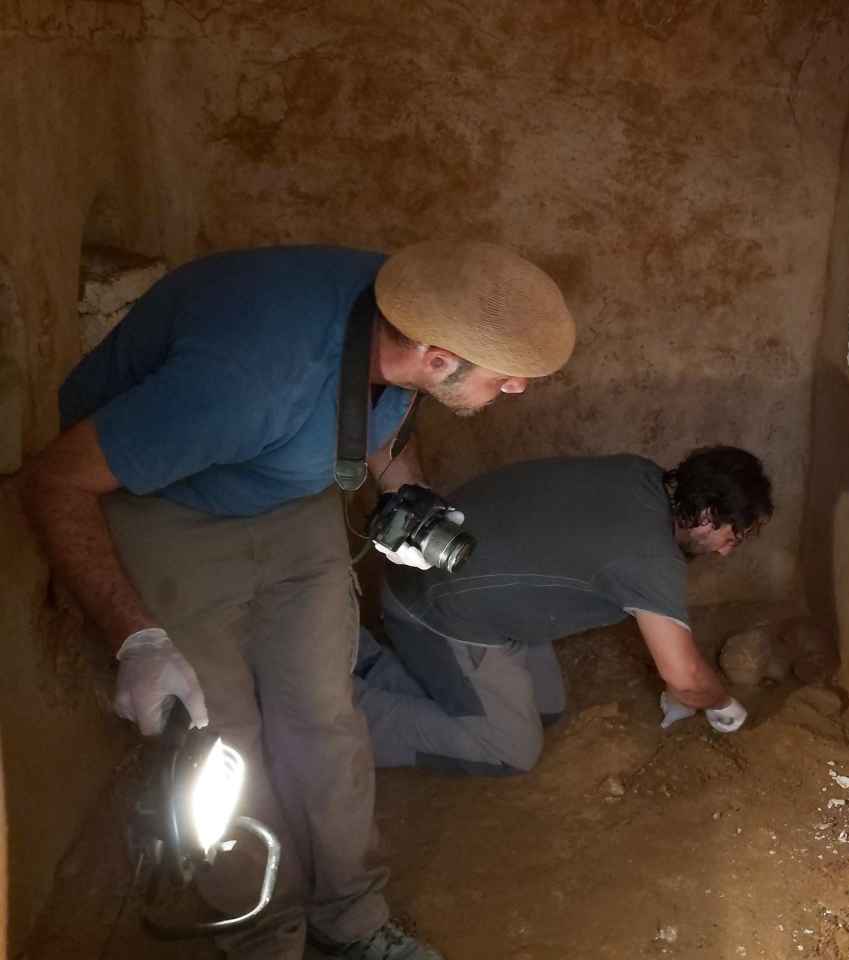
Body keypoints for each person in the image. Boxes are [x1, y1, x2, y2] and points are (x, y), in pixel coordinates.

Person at [20, 241, 575, 960]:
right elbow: (54, 480)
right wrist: (136, 640)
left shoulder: (415, 300)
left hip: (288, 489)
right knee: (221, 744)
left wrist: (408, 491)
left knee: (324, 719)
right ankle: (260, 934)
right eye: (508, 379)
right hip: (167, 504)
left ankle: (351, 920)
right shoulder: (251, 383)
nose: (517, 390)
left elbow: (382, 417)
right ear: (438, 356)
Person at [355, 447, 772, 775]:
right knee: (511, 751)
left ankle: (374, 667)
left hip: (467, 590)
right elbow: (683, 677)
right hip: (434, 608)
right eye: (732, 537)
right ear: (705, 518)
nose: (724, 553)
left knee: (546, 708)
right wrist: (720, 704)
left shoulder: (638, 474)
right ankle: (345, 721)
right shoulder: (649, 556)